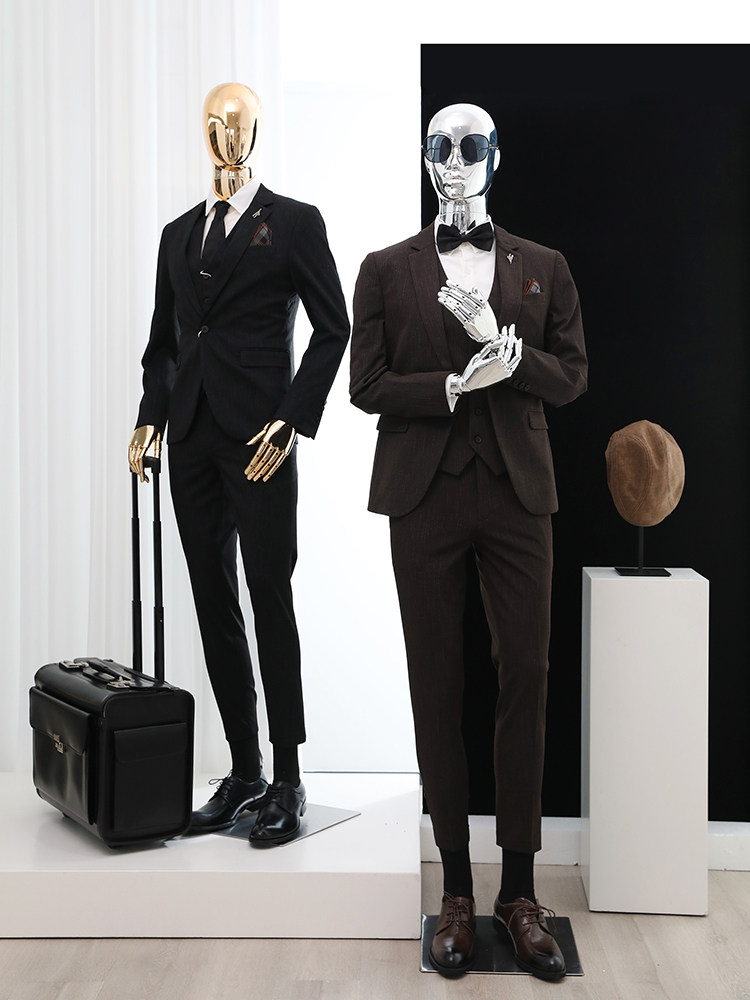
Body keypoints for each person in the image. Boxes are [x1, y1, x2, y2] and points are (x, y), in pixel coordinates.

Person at [350, 103, 586, 978]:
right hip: (425, 493)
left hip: (520, 494)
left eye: (471, 146)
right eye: (440, 147)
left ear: (495, 159)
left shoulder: (546, 267)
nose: (455, 160)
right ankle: (454, 888)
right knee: (437, 682)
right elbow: (365, 383)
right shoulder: (385, 269)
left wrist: (504, 352)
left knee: (526, 672)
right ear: (425, 159)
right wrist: (452, 385)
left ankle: (518, 893)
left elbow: (572, 377)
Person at [129, 83, 349, 847]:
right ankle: (245, 770)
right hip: (190, 438)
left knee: (269, 596)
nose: (225, 132)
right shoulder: (177, 235)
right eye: (213, 123)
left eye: (237, 121)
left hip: (261, 440)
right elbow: (164, 344)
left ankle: (288, 778)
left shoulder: (293, 223)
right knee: (212, 602)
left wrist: (291, 420)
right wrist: (150, 418)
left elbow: (333, 328)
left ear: (256, 131)